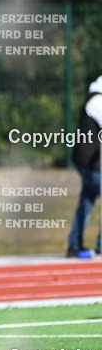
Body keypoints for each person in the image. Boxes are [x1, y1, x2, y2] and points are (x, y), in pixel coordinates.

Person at [67, 75, 102, 257]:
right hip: (91, 164)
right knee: (86, 201)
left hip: (88, 163)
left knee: (86, 202)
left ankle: (74, 245)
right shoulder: (97, 101)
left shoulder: (94, 99)